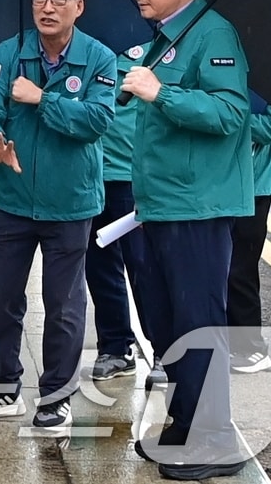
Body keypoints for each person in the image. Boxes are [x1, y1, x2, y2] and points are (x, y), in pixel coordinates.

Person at [0, 0, 115, 435]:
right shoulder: (9, 52)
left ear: (79, 6)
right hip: (11, 200)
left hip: (70, 202)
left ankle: (56, 397)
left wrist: (42, 99)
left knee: (64, 305)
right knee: (2, 297)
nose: (48, 7)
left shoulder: (99, 58)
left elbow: (96, 121)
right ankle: (3, 385)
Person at [122, 0, 253, 481]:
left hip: (197, 207)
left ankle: (215, 439)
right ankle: (185, 422)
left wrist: (162, 93)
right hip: (162, 204)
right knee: (167, 320)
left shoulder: (213, 33)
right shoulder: (168, 36)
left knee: (199, 323)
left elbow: (230, 113)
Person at [85, 46, 166, 388]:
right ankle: (116, 347)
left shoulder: (154, 50)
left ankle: (165, 349)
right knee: (98, 267)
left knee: (145, 267)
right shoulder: (81, 49)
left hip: (132, 176)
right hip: (88, 173)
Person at [228, 94, 271, 373]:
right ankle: (227, 342)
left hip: (254, 188)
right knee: (218, 268)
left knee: (240, 270)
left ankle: (251, 348)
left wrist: (225, 116)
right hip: (219, 185)